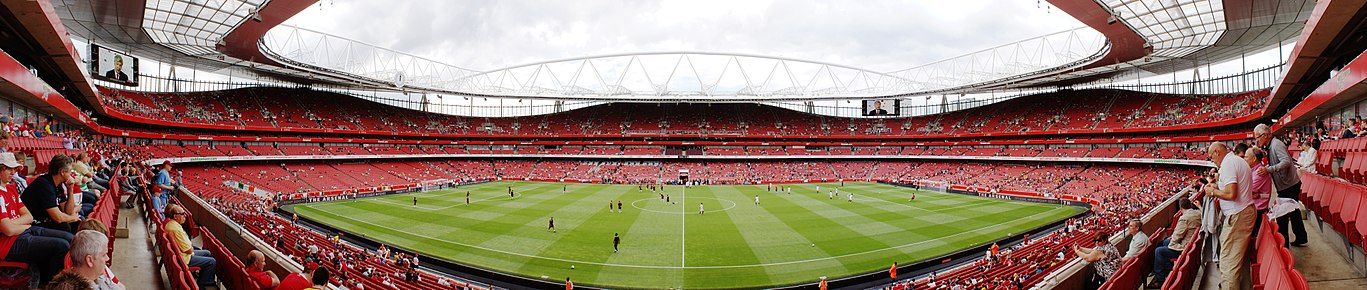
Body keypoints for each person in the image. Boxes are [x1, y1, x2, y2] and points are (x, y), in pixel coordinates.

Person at [0, 152, 72, 286]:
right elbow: (9, 231)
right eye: (9, 168)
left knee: (70, 238)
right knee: (62, 246)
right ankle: (48, 285)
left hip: (24, 231)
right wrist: (14, 225)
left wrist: (11, 224)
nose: (13, 172)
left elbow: (29, 217)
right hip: (8, 244)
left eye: (14, 168)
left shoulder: (10, 189)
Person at [1204, 142, 1254, 290]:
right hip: (1243, 212)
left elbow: (1231, 194)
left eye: (1211, 156)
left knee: (1228, 262)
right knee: (1239, 260)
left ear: (1218, 152)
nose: (1211, 159)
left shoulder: (1228, 164)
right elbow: (1231, 188)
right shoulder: (1236, 161)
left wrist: (1212, 192)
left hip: (1237, 215)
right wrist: (1218, 187)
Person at [1254, 124, 1307, 246]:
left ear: (1266, 135)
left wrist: (1269, 169)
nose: (1257, 140)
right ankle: (1301, 237)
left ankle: (1284, 245)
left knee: (1282, 216)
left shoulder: (1276, 144)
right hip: (1287, 184)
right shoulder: (1270, 146)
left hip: (1289, 185)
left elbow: (1286, 162)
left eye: (1258, 137)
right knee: (1294, 212)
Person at [22, 155, 82, 233]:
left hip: (46, 220)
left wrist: (70, 189)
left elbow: (68, 211)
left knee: (78, 223)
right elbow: (58, 218)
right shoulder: (44, 184)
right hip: (34, 223)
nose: (71, 174)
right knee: (66, 227)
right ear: (62, 172)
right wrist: (73, 218)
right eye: (70, 171)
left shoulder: (58, 184)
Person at [1150, 199, 1201, 288]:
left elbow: (1177, 236)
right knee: (1164, 242)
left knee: (1159, 251)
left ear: (1180, 207)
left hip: (1184, 247)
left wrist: (1171, 242)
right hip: (1189, 241)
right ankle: (1165, 268)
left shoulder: (1184, 218)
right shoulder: (1198, 213)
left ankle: (1160, 279)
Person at [166, 204, 216, 287]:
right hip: (185, 258)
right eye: (182, 214)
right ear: (175, 216)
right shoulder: (175, 229)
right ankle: (203, 284)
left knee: (207, 253)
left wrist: (191, 247)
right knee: (212, 262)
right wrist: (191, 248)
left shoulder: (171, 225)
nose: (184, 216)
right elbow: (188, 250)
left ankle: (204, 277)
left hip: (182, 254)